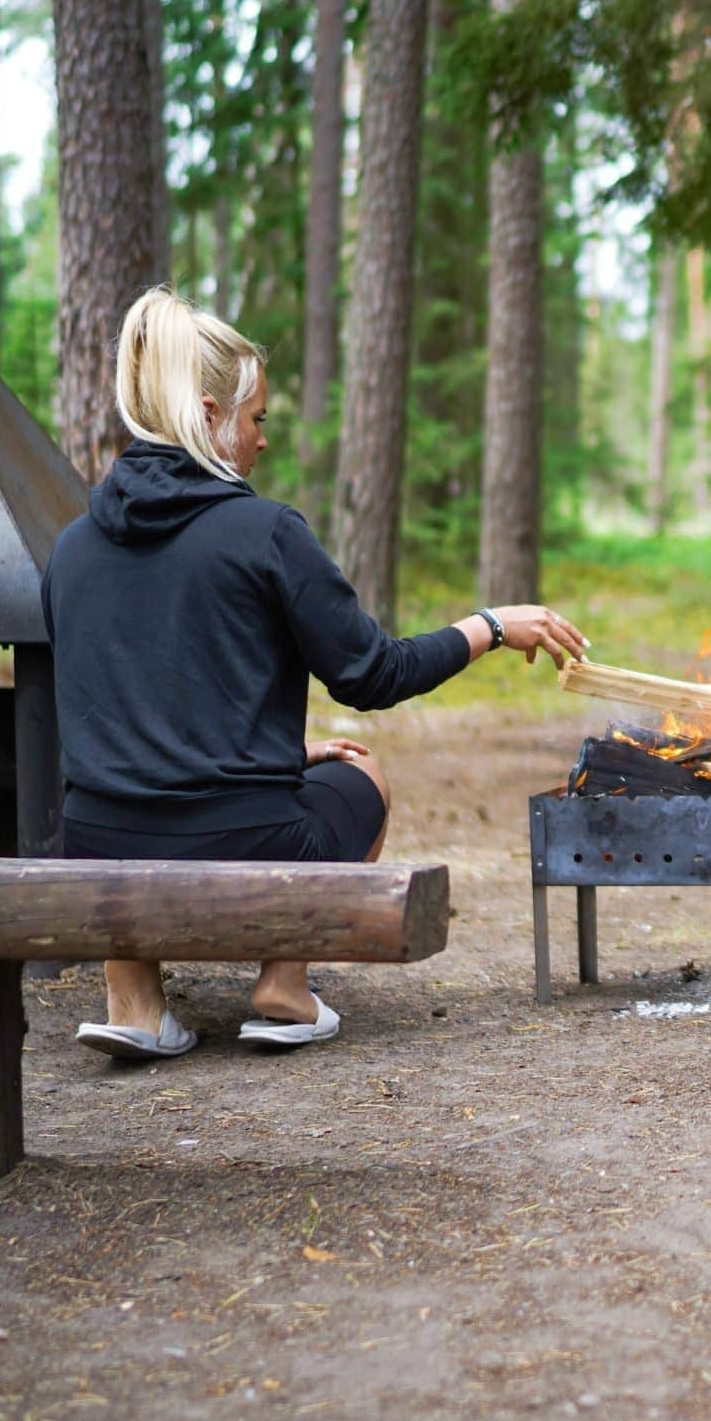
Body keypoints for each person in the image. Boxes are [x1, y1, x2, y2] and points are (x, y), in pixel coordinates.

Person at [42, 287, 586, 1060]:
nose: (262, 440)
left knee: (145, 804)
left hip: (98, 850)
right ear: (209, 415)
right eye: (257, 419)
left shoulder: (70, 550)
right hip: (244, 844)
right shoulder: (265, 532)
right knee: (366, 777)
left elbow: (124, 711)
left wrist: (286, 754)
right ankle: (283, 985)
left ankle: (134, 1000)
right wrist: (490, 626)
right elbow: (371, 675)